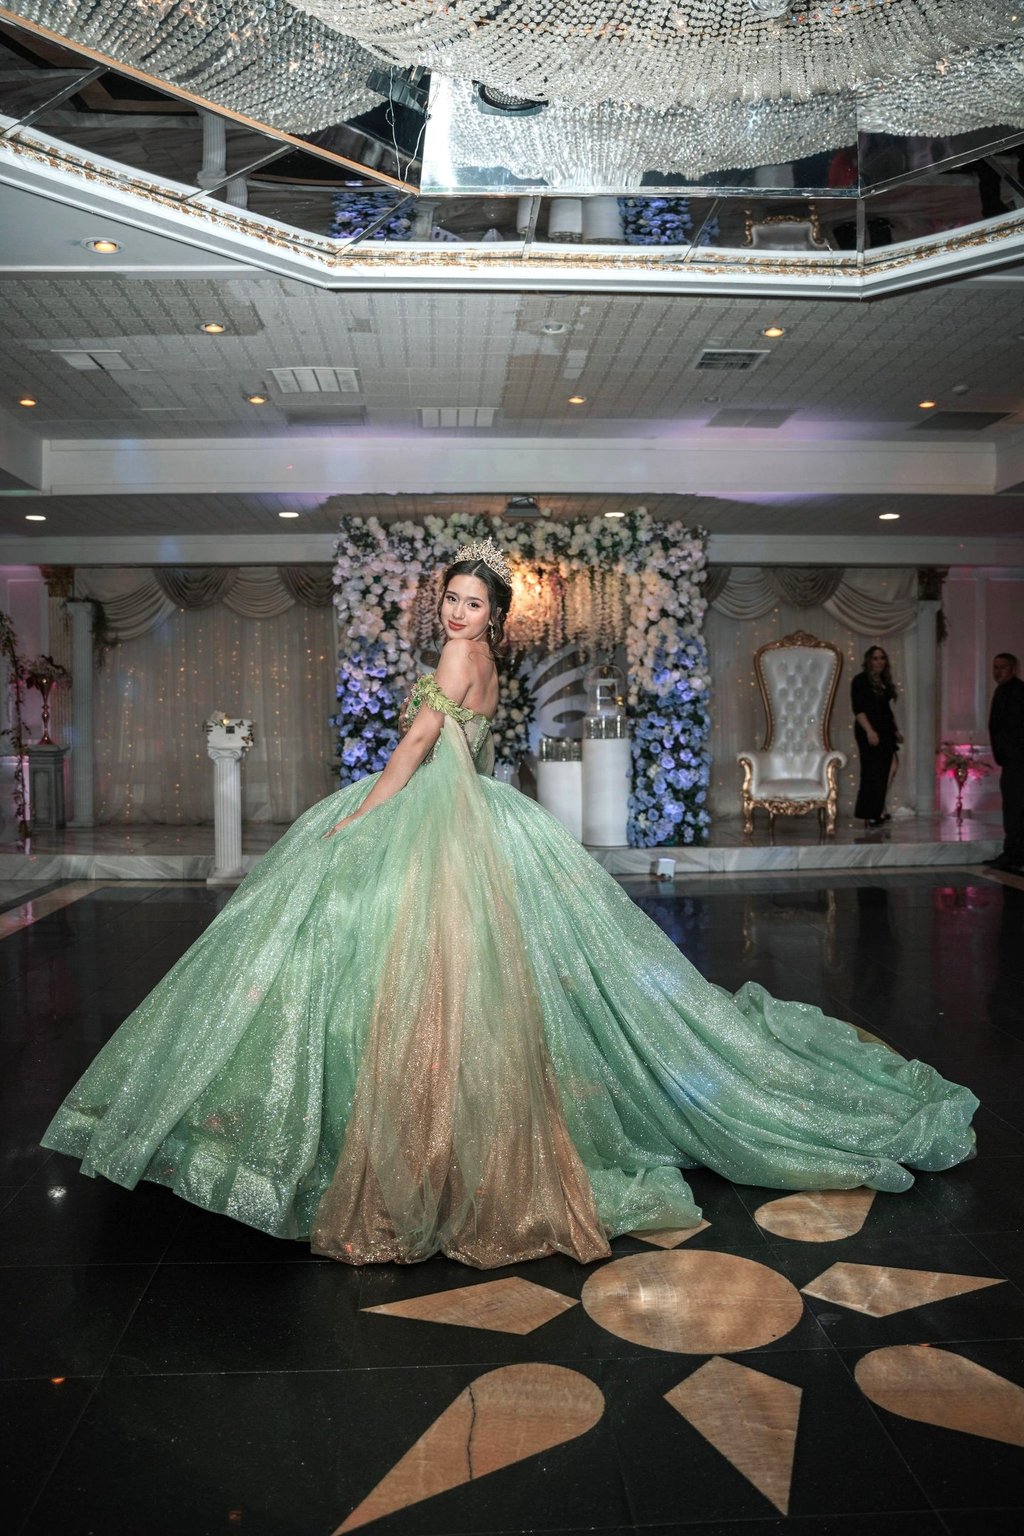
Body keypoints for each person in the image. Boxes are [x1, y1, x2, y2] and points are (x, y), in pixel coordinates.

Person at [42, 540, 977, 1269]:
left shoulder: (457, 659)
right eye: (451, 598)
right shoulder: (484, 661)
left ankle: (409, 1132)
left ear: (493, 614)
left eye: (472, 602)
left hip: (435, 817)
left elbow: (417, 748)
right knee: (473, 970)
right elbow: (473, 748)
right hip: (482, 815)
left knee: (378, 951)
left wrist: (356, 820)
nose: (458, 611)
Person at [852, 645, 902, 827]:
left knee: (891, 766)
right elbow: (858, 709)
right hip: (869, 729)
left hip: (885, 729)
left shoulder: (883, 681)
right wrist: (869, 731)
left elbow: (886, 710)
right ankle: (871, 813)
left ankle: (878, 807)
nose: (879, 661)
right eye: (875, 658)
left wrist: (895, 730)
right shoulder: (860, 680)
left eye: (882, 658)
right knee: (872, 772)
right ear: (869, 661)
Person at [986, 651, 1024, 873]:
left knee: (1016, 808)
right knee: (1012, 807)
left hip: (1018, 760)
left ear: (1013, 669)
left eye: (1003, 667)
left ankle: (1015, 854)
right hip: (1011, 760)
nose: (998, 672)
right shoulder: (1002, 691)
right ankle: (1012, 853)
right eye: (995, 667)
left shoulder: (1018, 692)